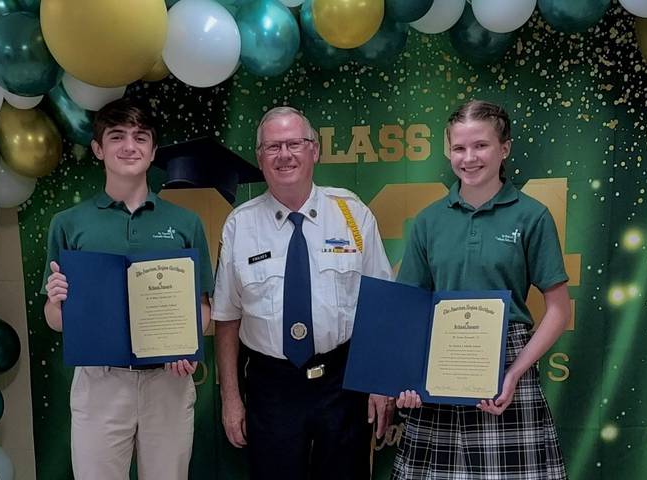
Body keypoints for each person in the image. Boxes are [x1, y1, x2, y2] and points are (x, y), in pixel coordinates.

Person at [212, 106, 394, 480]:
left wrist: (380, 383)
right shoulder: (239, 226)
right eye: (273, 146)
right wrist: (231, 399)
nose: (284, 155)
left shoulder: (352, 214)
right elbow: (227, 318)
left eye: (295, 143)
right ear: (260, 158)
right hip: (271, 386)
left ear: (315, 151)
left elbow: (381, 303)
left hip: (342, 383)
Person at [392, 100, 570, 479]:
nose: (468, 158)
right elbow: (408, 309)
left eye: (481, 146)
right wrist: (407, 379)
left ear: (504, 148)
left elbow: (558, 310)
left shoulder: (531, 215)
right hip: (439, 364)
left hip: (508, 365)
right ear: (448, 151)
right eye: (459, 148)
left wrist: (515, 372)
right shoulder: (428, 221)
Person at [42, 98, 213, 480]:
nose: (129, 146)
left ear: (153, 151)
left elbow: (202, 308)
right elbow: (54, 320)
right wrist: (57, 303)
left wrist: (184, 344)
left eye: (140, 137)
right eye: (116, 137)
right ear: (99, 149)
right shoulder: (68, 223)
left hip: (168, 382)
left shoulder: (185, 223)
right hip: (100, 382)